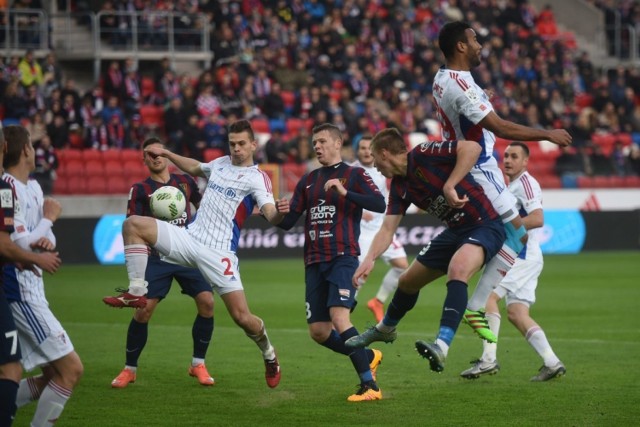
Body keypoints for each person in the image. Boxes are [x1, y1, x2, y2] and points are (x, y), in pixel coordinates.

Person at [103, 119, 285, 388]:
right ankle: (136, 291)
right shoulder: (221, 163)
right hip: (189, 237)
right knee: (132, 225)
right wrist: (168, 154)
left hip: (219, 252)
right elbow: (195, 166)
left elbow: (270, 213)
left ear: (253, 145)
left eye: (242, 144)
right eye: (232, 143)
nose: (236, 149)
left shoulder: (258, 178)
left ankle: (269, 354)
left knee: (242, 318)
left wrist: (280, 212)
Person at [432, 21, 572, 337]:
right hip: (482, 170)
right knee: (517, 236)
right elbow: (502, 128)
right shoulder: (463, 86)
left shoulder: (443, 78)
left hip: (469, 167)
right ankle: (475, 306)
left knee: (503, 235)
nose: (481, 45)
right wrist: (547, 134)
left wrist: (481, 96)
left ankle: (473, 303)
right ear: (461, 46)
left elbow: (463, 107)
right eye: (475, 39)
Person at [344, 128, 505, 375]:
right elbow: (387, 229)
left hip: (484, 223)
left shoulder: (422, 153)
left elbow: (472, 148)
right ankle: (385, 329)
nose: (375, 166)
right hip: (455, 231)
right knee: (407, 281)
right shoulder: (398, 186)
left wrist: (450, 184)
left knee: (458, 269)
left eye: (376, 160)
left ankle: (442, 346)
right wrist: (369, 259)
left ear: (385, 154)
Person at [275, 123, 386, 402]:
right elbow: (288, 223)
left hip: (342, 257)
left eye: (323, 141)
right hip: (313, 261)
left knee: (339, 318)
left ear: (338, 143)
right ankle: (368, 356)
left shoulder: (354, 174)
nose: (317, 146)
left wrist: (346, 193)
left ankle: (370, 386)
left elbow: (379, 204)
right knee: (319, 332)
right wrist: (275, 212)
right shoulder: (308, 180)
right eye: (315, 143)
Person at [110, 137, 216, 389]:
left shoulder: (186, 182)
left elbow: (204, 210)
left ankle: (198, 364)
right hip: (157, 256)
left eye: (159, 152)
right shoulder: (140, 189)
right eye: (150, 154)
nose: (156, 157)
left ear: (166, 156)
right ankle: (129, 369)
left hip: (187, 252)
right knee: (143, 310)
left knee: (207, 303)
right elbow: (132, 225)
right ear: (144, 159)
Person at [460, 142, 566, 382]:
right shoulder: (511, 186)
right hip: (526, 256)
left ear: (526, 161)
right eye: (506, 155)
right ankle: (552, 362)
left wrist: (501, 226)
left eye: (514, 156)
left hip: (521, 255)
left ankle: (488, 360)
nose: (508, 160)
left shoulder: (526, 183)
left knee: (487, 298)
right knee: (517, 313)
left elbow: (537, 218)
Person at [2, 125, 82, 427]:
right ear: (25, 150)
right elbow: (19, 244)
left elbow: (41, 239)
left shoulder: (33, 187)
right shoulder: (7, 187)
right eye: (32, 147)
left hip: (34, 289)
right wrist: (48, 219)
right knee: (71, 369)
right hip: (19, 290)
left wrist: (48, 232)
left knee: (51, 373)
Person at [352, 135, 409, 322]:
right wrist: (359, 212)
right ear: (357, 150)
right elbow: (340, 198)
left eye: (369, 148)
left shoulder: (383, 169)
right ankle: (344, 310)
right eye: (362, 148)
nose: (366, 151)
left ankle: (377, 301)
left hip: (382, 228)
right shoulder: (351, 171)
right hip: (362, 232)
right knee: (360, 274)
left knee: (402, 267)